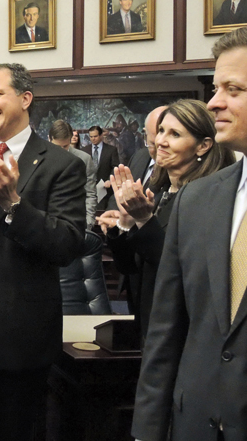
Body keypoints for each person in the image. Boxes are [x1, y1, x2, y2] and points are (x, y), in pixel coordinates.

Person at [0, 63, 86, 441]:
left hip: (17, 339)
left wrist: (13, 203)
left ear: (25, 98)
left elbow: (67, 244)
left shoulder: (62, 165)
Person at [132, 27, 247, 441]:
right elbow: (167, 329)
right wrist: (147, 430)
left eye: (233, 88)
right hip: (195, 423)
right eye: (216, 87)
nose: (214, 102)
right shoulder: (197, 199)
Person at [100, 100, 235, 342]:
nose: (160, 141)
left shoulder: (210, 197)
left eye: (174, 134)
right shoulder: (160, 193)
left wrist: (144, 219)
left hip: (186, 333)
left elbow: (182, 271)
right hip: (149, 324)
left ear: (203, 146)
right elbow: (130, 268)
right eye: (161, 130)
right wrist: (125, 222)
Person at [49, 120, 97, 229]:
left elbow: (90, 193)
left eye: (65, 146)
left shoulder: (84, 159)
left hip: (76, 222)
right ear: (50, 139)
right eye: (57, 147)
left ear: (70, 140)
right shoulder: (41, 159)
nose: (61, 151)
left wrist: (88, 223)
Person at [82, 124, 120, 209]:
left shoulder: (111, 150)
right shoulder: (84, 150)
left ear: (101, 135)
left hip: (104, 188)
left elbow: (115, 167)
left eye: (95, 136)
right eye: (91, 137)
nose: (93, 139)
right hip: (88, 188)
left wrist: (109, 180)